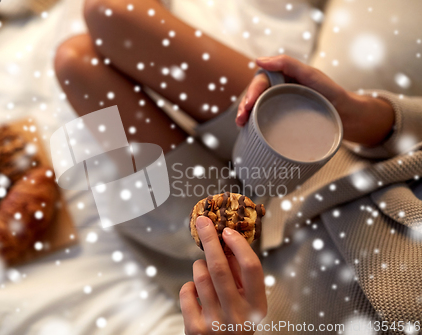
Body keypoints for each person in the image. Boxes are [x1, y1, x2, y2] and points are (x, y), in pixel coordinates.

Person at [55, 0, 422, 333]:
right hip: (318, 161)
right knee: (109, 12)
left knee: (74, 63)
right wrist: (365, 117)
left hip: (237, 270)